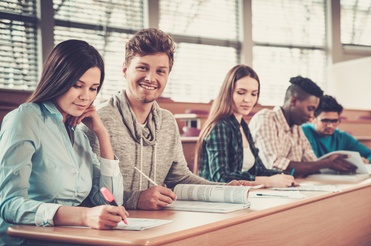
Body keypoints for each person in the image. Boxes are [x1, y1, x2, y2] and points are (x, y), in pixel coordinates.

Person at [0, 40, 131, 246]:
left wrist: (102, 135)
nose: (86, 96)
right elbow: (9, 205)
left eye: (93, 88)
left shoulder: (78, 134)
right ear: (58, 78)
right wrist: (83, 217)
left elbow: (111, 199)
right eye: (77, 85)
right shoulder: (25, 118)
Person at [82, 28, 249, 212]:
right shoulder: (99, 121)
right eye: (142, 68)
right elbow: (86, 193)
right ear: (125, 70)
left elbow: (180, 178)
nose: (151, 78)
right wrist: (135, 199)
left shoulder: (167, 121)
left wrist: (223, 189)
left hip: (156, 224)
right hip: (111, 227)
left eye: (160, 71)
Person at [194, 65, 295, 187]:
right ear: (228, 93)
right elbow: (221, 177)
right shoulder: (220, 126)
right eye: (241, 93)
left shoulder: (243, 126)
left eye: (254, 94)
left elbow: (258, 169)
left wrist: (283, 176)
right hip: (216, 199)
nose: (248, 99)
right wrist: (269, 181)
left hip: (238, 196)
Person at [249, 76, 356, 177]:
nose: (312, 115)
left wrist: (330, 161)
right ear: (293, 101)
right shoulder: (265, 118)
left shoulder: (296, 126)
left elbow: (310, 162)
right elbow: (274, 167)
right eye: (310, 109)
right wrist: (325, 163)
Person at [302, 95, 371, 166]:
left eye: (334, 121)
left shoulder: (342, 137)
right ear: (313, 119)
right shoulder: (303, 132)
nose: (330, 125)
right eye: (325, 121)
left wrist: (367, 161)